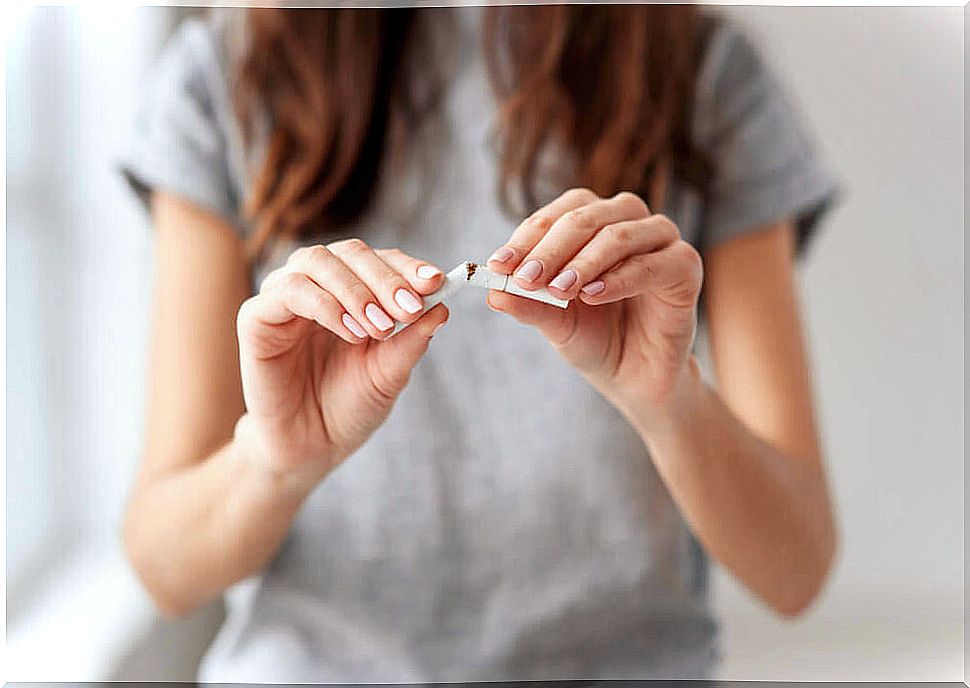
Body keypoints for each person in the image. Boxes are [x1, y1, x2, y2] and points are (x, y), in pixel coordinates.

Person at [120, 5, 839, 682]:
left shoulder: (702, 70)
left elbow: (796, 567)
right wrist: (275, 464)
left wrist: (672, 406)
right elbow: (164, 567)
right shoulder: (227, 71)